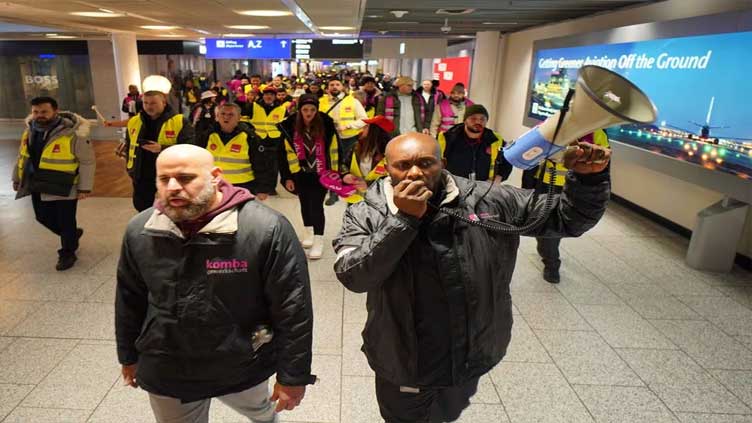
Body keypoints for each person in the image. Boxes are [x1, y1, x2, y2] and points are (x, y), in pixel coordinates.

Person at [332, 132, 611, 423]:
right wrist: (403, 221)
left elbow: (568, 217)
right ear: (386, 167)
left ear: (443, 163)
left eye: (426, 162)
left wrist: (589, 180)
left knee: (449, 412)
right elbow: (354, 277)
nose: (415, 172)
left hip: (473, 353)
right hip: (404, 361)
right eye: (403, 165)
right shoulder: (365, 213)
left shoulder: (491, 199)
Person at [115, 144, 315, 423]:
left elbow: (293, 307)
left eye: (185, 178)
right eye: (164, 179)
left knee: (262, 413)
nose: (173, 187)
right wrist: (128, 355)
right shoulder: (141, 229)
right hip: (169, 366)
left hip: (242, 361)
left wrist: (293, 375)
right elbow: (129, 298)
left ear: (215, 176)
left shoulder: (264, 228)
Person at [507, 129, 611, 283]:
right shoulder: (555, 125)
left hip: (571, 186)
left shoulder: (598, 133)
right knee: (541, 223)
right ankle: (549, 258)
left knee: (554, 226)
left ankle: (551, 260)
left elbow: (602, 160)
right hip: (544, 182)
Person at [12, 97, 95, 270]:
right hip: (37, 182)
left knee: (66, 221)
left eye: (44, 112)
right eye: (35, 112)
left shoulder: (73, 133)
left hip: (64, 184)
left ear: (55, 111)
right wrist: (17, 178)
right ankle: (72, 235)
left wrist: (85, 188)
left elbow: (87, 161)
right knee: (42, 217)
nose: (39, 115)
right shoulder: (30, 131)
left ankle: (67, 253)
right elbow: (22, 156)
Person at [277, 94, 339, 260]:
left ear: (317, 110)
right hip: (299, 172)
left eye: (312, 109)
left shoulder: (326, 125)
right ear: (299, 110)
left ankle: (319, 240)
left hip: (321, 172)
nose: (309, 113)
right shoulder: (289, 126)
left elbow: (335, 150)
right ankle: (309, 233)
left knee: (317, 206)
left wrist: (334, 173)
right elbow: (282, 154)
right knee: (304, 203)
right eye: (305, 109)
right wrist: (287, 177)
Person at [120, 90, 194, 212]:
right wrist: (130, 168)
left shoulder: (179, 121)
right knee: (142, 207)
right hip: (141, 173)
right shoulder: (134, 121)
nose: (149, 106)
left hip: (170, 173)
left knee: (173, 207)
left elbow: (190, 147)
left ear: (164, 103)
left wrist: (161, 148)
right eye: (146, 103)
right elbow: (130, 146)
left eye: (153, 103)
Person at [198, 103, 275, 199]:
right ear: (217, 116)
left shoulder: (249, 137)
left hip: (243, 186)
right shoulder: (207, 135)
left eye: (231, 114)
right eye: (223, 114)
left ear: (239, 117)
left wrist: (262, 189)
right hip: (215, 184)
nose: (226, 117)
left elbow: (260, 164)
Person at [320, 78, 368, 206]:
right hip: (329, 139)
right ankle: (333, 193)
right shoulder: (321, 102)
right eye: (331, 85)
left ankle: (351, 190)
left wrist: (347, 126)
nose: (334, 87)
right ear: (327, 88)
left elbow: (364, 119)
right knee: (331, 165)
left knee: (348, 165)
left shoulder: (353, 101)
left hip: (349, 139)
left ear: (343, 87)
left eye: (337, 84)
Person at [438, 104, 512, 183]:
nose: (478, 122)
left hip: (483, 188)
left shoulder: (495, 140)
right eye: (473, 118)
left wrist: (497, 179)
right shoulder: (448, 138)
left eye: (482, 119)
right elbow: (433, 161)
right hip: (453, 186)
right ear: (465, 120)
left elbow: (507, 162)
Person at [340, 115, 395, 204]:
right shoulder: (356, 146)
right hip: (355, 200)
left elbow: (393, 180)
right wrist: (345, 175)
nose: (362, 130)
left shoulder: (390, 154)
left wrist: (369, 185)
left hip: (379, 202)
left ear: (375, 131)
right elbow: (343, 164)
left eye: (366, 127)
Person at [247, 86, 288, 195]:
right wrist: (251, 133)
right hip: (257, 139)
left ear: (275, 97)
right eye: (266, 94)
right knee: (257, 164)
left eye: (271, 95)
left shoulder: (282, 109)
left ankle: (271, 188)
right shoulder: (253, 106)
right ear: (263, 96)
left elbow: (286, 125)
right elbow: (244, 121)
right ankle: (258, 187)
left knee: (273, 166)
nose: (268, 97)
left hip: (275, 140)